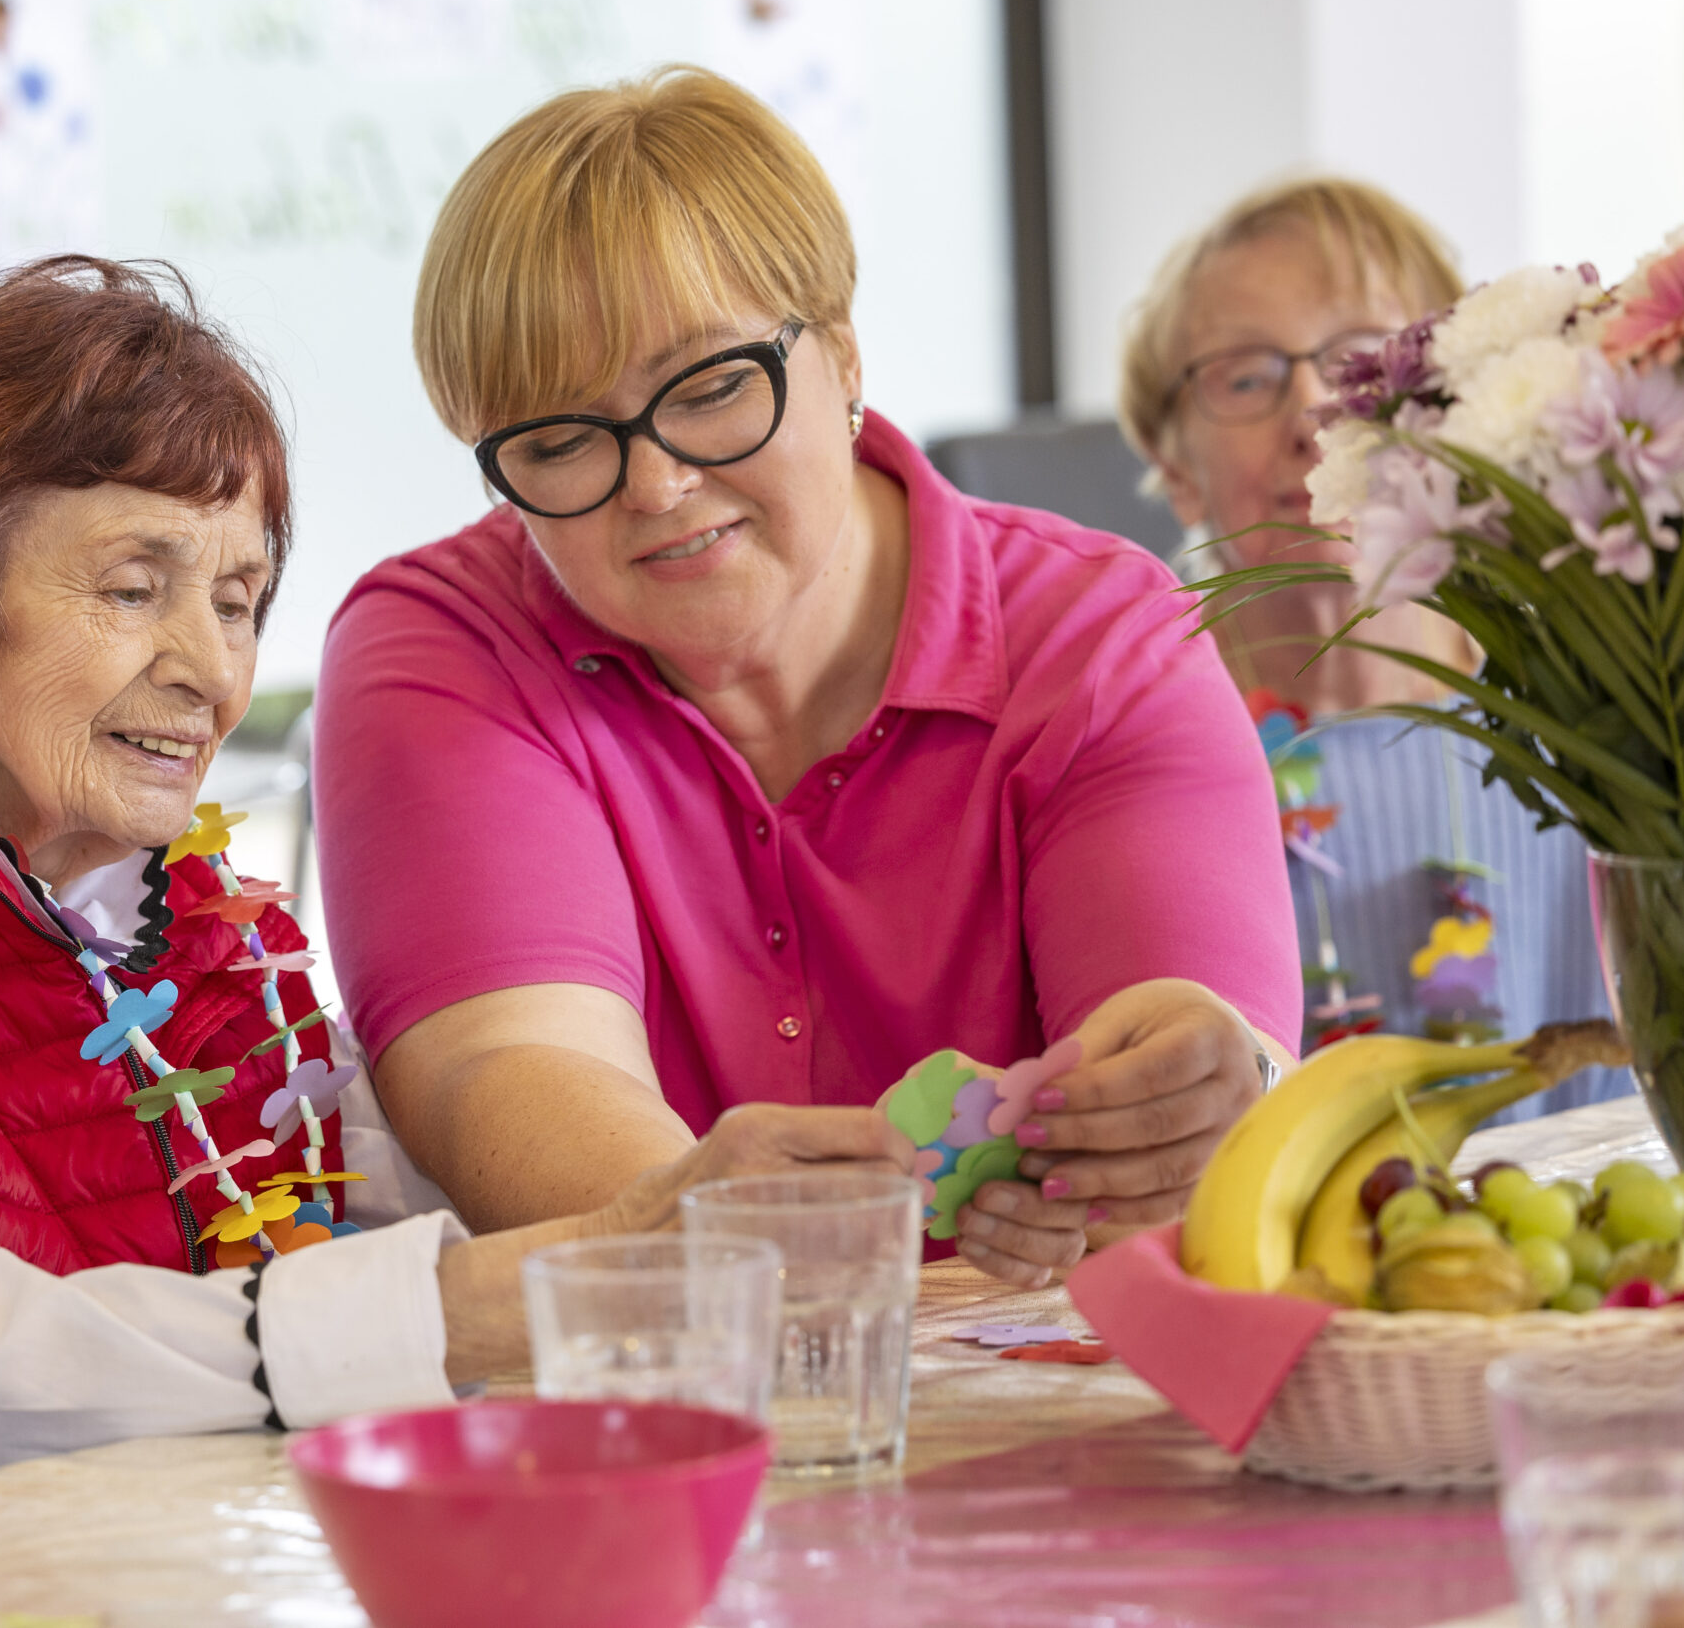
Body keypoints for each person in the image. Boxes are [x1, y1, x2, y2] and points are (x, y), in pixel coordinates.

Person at [0, 258, 912, 1584]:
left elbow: (371, 1213)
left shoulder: (177, 913)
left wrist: (657, 1248)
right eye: (136, 587)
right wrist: (523, 1287)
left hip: (81, 1572)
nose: (208, 666)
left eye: (241, 597)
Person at [311, 66, 1301, 1296]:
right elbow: (501, 1069)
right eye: (562, 441)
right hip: (670, 1394)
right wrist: (714, 1240)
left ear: (840, 357)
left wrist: (1187, 1093)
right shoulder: (443, 648)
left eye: (714, 387)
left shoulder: (1100, 634)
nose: (656, 485)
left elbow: (1189, 1027)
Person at [1118, 176, 1627, 1118]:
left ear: (1452, 408)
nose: (1311, 413)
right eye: (1245, 377)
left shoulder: (1592, 704)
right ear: (1176, 469)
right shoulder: (1118, 740)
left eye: (1361, 357)